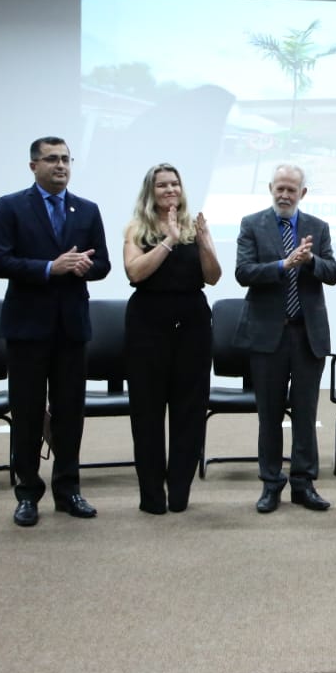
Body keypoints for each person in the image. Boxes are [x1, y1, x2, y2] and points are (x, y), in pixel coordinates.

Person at [0, 137, 111, 527]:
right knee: (27, 413)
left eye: (66, 159)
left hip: (71, 327)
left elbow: (104, 264)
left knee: (70, 412)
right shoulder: (11, 206)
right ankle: (27, 493)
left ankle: (68, 490)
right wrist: (48, 268)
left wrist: (84, 267)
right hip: (27, 327)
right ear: (33, 166)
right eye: (52, 159)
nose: (61, 166)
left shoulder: (87, 209)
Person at [234, 164, 336, 513]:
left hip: (308, 335)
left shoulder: (318, 228)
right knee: (270, 414)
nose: (284, 195)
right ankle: (270, 484)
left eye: (291, 190)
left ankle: (303, 484)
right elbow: (243, 272)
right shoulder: (252, 224)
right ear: (270, 188)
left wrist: (309, 261)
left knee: (306, 414)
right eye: (279, 188)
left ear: (302, 193)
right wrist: (283, 265)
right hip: (268, 335)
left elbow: (333, 273)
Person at [122, 164, 221, 515]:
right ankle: (152, 496)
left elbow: (213, 277)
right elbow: (135, 273)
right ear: (150, 191)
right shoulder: (137, 228)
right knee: (147, 413)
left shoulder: (196, 226)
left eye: (174, 183)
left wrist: (204, 243)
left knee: (189, 412)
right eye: (162, 185)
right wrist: (168, 240)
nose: (170, 190)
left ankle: (179, 491)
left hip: (192, 325)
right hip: (147, 326)